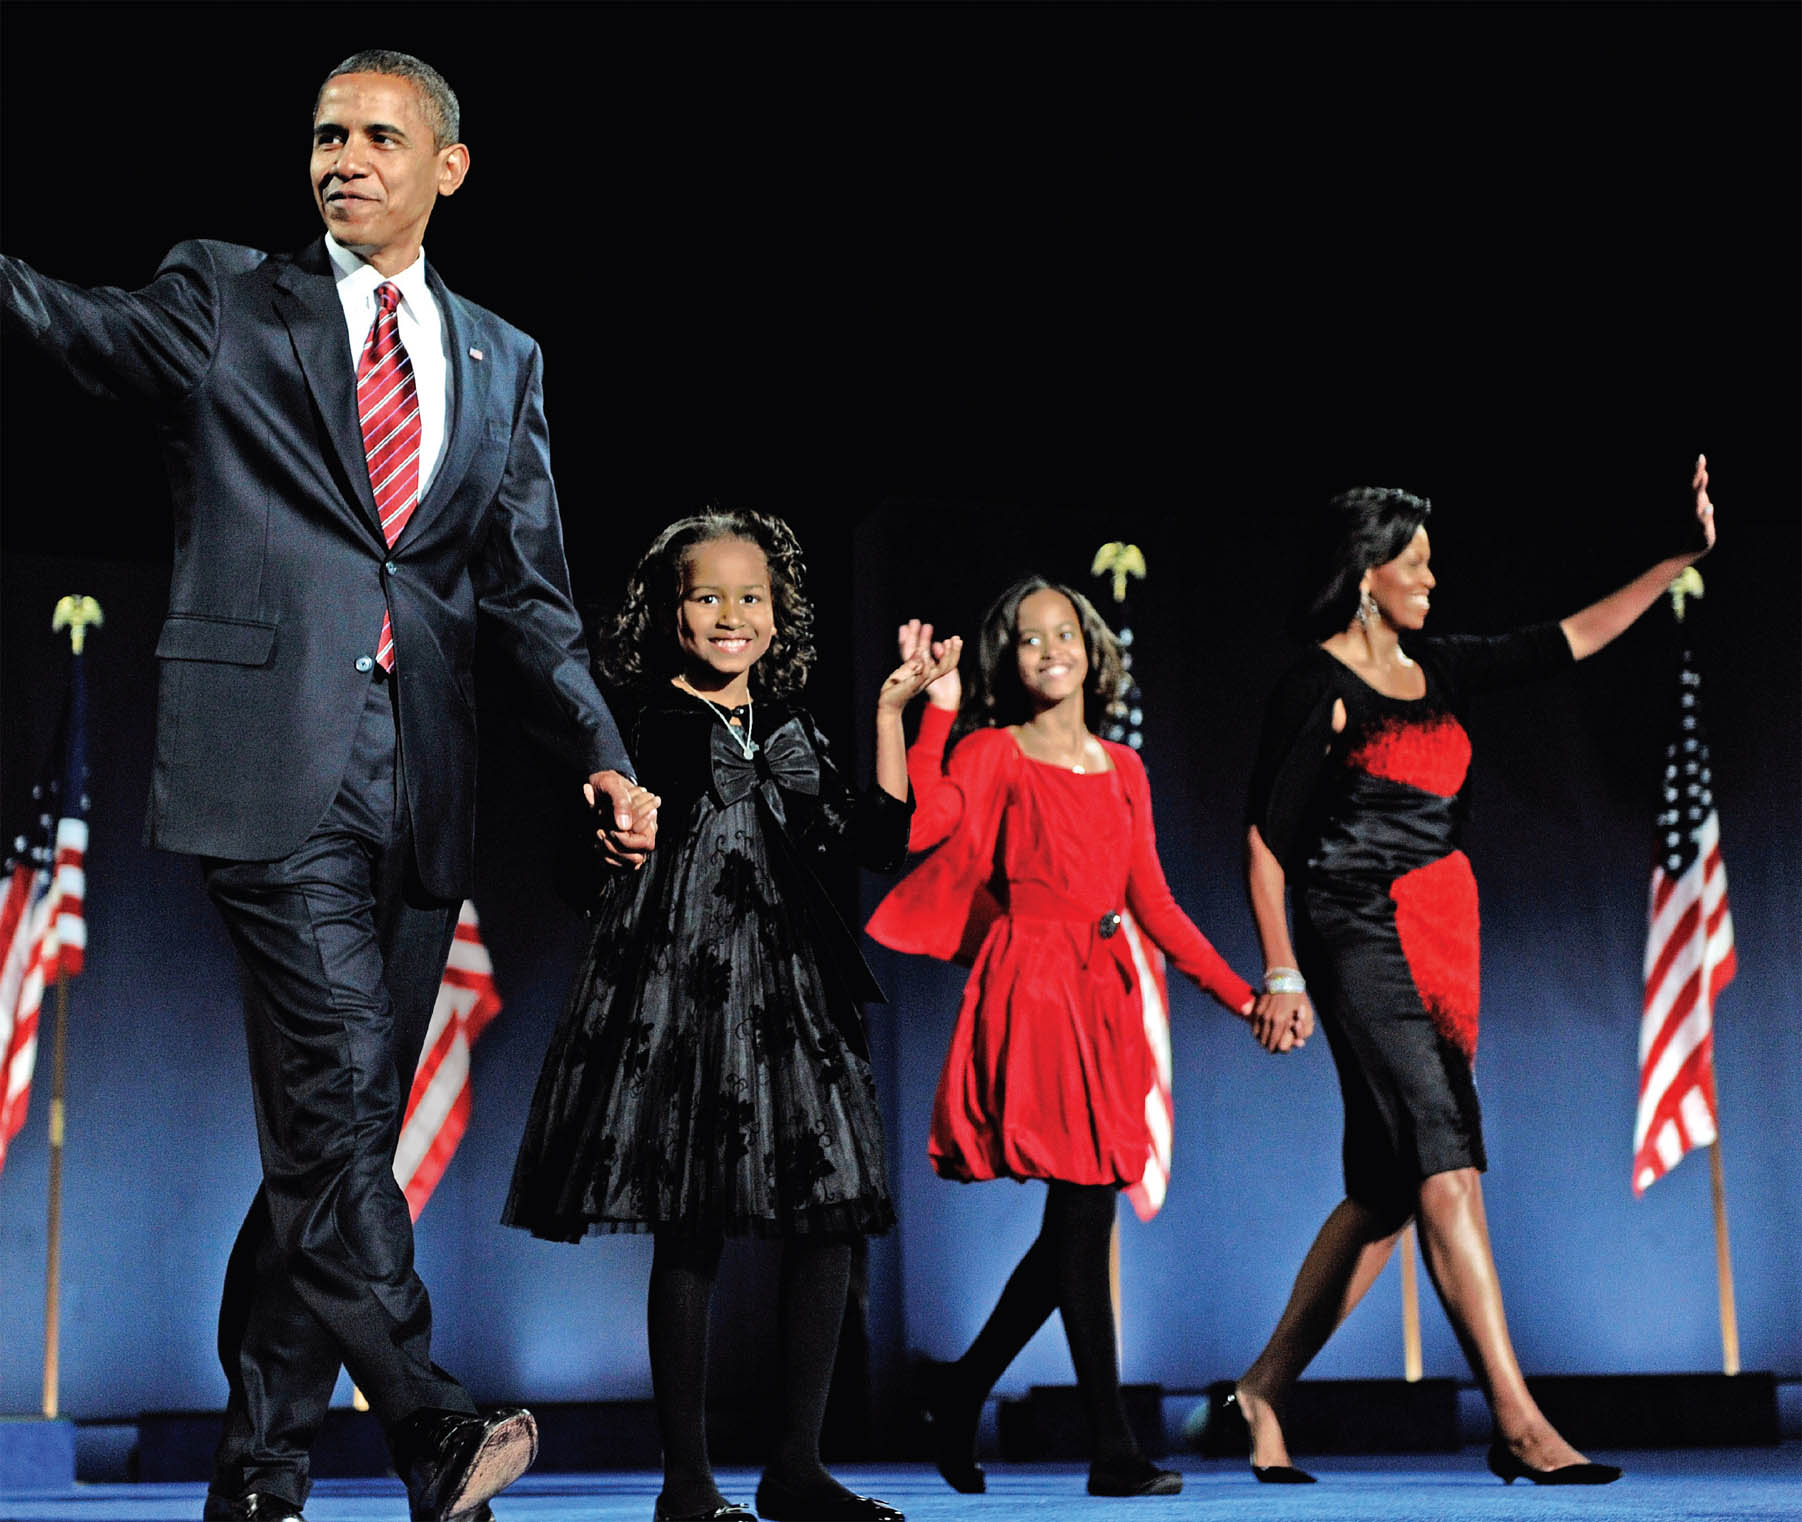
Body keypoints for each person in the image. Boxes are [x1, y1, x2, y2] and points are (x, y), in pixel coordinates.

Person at [1, 51, 655, 1522]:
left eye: (375, 135)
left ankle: (261, 1469)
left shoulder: (503, 357)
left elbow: (529, 599)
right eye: (322, 136)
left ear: (450, 166)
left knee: (333, 1126)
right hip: (264, 764)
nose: (340, 158)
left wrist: (603, 754)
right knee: (333, 1109)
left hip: (420, 784)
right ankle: (430, 1421)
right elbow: (79, 330)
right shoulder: (229, 299)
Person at [1221, 461, 1717, 1486]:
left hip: (1442, 933)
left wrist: (1679, 558)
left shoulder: (1438, 668)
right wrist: (1278, 971)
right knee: (1445, 1163)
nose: (1432, 580)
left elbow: (1569, 638)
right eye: (1416, 564)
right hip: (1351, 929)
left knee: (1385, 1189)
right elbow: (1266, 843)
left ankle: (1260, 1387)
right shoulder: (1313, 685)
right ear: (1366, 574)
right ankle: (1518, 1422)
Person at [505, 511, 954, 1522]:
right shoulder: (635, 722)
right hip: (680, 989)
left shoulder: (789, 724)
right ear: (668, 613)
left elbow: (877, 840)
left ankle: (795, 1466)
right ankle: (688, 1483)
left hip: (790, 991)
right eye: (705, 595)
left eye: (750, 596)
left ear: (778, 612)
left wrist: (893, 714)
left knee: (831, 1213)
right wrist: (607, 839)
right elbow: (574, 866)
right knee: (691, 1224)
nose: (729, 615)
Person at [867, 578, 1283, 1500]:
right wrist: (931, 714)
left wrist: (1242, 994)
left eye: (1064, 632)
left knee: (1078, 1222)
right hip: (1034, 991)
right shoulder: (991, 751)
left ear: (1091, 649)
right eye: (1028, 638)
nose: (1049, 647)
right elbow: (923, 821)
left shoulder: (1124, 770)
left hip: (1105, 997)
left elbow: (1156, 904)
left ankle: (963, 1388)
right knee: (1085, 1211)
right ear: (1008, 662)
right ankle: (1112, 1448)